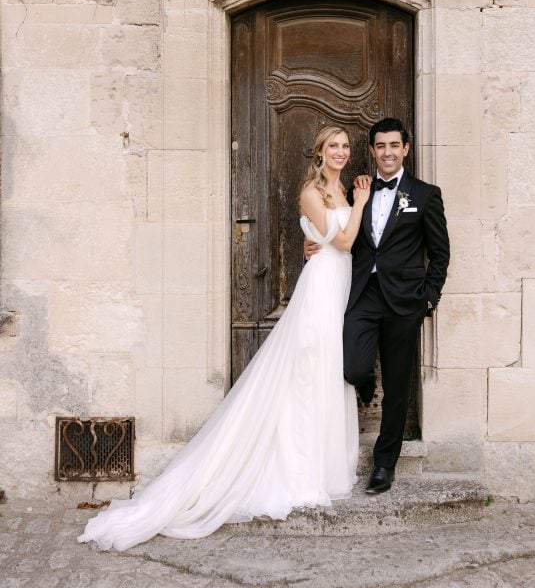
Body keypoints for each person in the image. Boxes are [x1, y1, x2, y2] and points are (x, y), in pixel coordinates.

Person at [78, 126, 370, 551]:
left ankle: (321, 465)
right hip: (321, 287)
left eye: (344, 147)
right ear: (319, 152)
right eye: (333, 147)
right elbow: (342, 241)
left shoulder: (340, 189)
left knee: (325, 371)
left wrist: (343, 211)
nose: (340, 152)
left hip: (338, 285)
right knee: (308, 372)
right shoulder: (312, 192)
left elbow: (330, 241)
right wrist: (360, 204)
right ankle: (296, 470)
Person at [305, 117, 450, 495]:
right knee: (351, 366)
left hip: (405, 302)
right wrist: (312, 242)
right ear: (372, 150)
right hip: (363, 294)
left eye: (394, 146)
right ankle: (364, 376)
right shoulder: (357, 192)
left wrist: (428, 299)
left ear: (406, 149)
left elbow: (440, 253)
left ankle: (385, 465)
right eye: (380, 146)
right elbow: (340, 230)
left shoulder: (425, 195)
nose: (387, 153)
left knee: (398, 388)